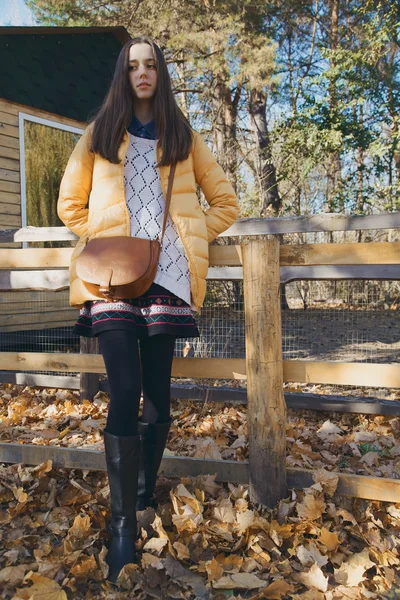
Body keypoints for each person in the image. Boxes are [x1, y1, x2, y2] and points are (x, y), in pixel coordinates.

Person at [57, 35, 239, 583]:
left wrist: (184, 241)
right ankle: (120, 526)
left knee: (159, 396)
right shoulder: (100, 133)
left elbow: (226, 201)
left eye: (150, 65)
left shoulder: (182, 136)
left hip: (169, 281)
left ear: (160, 74)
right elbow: (69, 204)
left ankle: (141, 500)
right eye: (133, 65)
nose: (142, 73)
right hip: (111, 283)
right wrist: (110, 239)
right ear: (123, 73)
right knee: (125, 390)